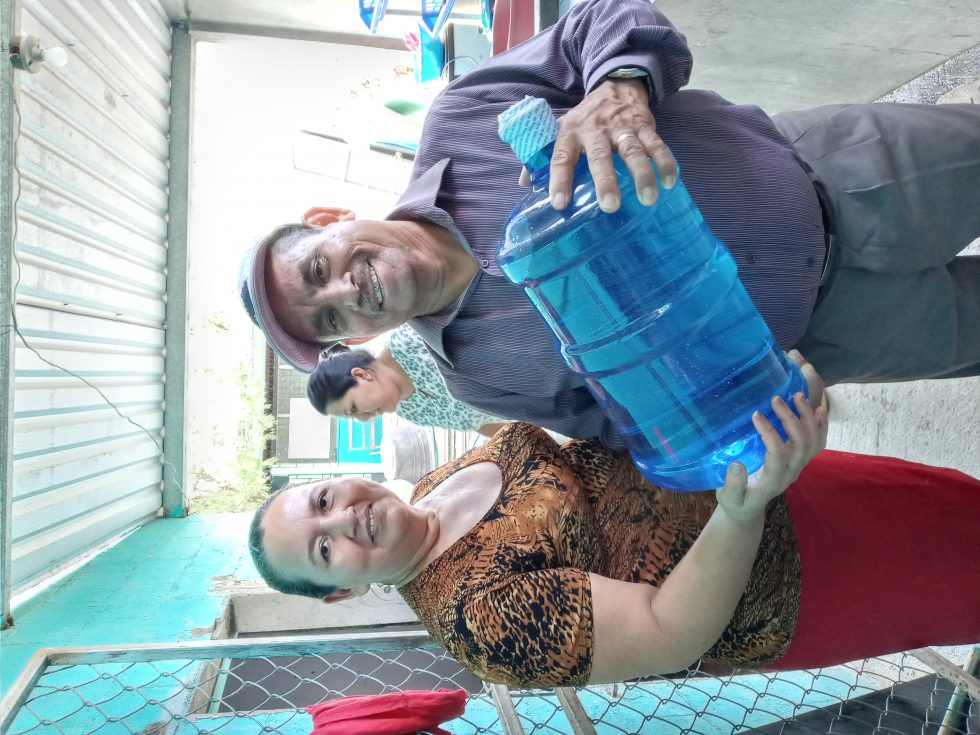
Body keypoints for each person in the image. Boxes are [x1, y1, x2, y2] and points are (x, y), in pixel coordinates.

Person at [237, 0, 980, 449]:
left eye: (318, 268)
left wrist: (619, 84)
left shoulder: (461, 121)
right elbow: (621, 429)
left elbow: (604, 18)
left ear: (329, 219)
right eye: (330, 317)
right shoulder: (481, 379)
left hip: (841, 171)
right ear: (353, 340)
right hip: (846, 332)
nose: (345, 290)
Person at [248, 355, 980, 688]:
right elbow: (667, 631)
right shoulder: (476, 618)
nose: (345, 520)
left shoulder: (437, 481)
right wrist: (740, 510)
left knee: (955, 502)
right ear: (342, 592)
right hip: (798, 577)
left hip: (772, 481)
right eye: (324, 550)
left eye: (323, 501)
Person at [308, 325, 508, 436]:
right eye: (353, 417)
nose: (362, 419)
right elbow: (479, 423)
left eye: (353, 409)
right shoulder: (411, 412)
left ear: (362, 375)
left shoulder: (410, 341)